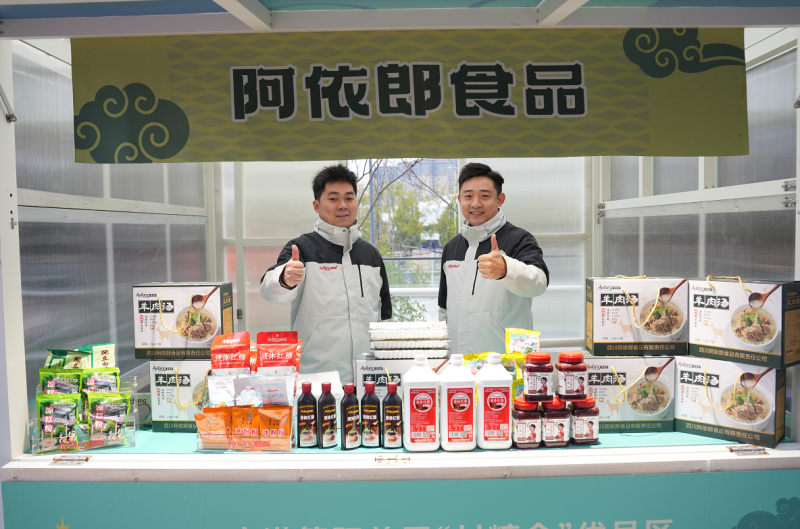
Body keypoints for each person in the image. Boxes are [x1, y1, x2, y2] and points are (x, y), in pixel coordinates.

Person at [260, 164, 391, 383]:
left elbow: (384, 315)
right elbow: (270, 291)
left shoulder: (371, 255)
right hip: (317, 379)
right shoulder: (301, 249)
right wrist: (284, 279)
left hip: (368, 379)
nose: (343, 205)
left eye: (349, 198)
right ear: (316, 205)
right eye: (333, 198)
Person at [438, 162, 549, 356]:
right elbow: (444, 309)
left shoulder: (519, 239)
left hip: (508, 363)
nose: (475, 203)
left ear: (500, 199)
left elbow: (539, 283)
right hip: (460, 363)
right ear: (460, 199)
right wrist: (443, 353)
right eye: (468, 196)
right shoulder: (451, 247)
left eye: (485, 196)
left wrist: (506, 269)